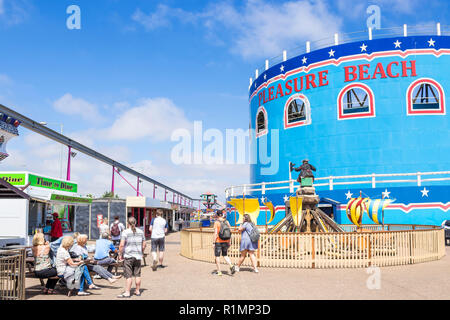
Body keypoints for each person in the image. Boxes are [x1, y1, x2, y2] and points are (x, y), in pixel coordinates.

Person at [117, 216, 146, 298]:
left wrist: (120, 254)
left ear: (128, 223)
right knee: (137, 274)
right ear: (135, 222)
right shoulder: (141, 231)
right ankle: (137, 291)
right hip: (138, 256)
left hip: (128, 256)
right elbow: (144, 244)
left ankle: (127, 292)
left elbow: (122, 245)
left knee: (128, 275)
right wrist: (141, 252)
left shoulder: (125, 232)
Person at [213, 211, 236, 276]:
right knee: (225, 255)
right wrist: (229, 241)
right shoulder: (227, 222)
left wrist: (213, 242)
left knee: (217, 256)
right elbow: (230, 232)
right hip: (226, 241)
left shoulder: (216, 223)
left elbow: (215, 233)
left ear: (217, 215)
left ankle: (219, 272)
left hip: (218, 241)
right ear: (222, 215)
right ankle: (231, 265)